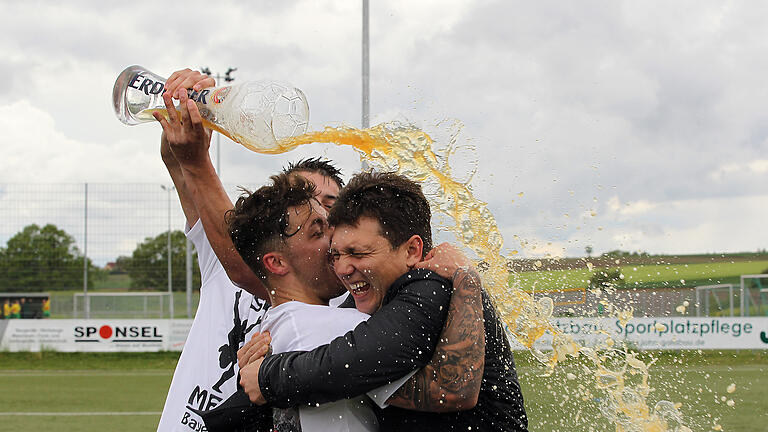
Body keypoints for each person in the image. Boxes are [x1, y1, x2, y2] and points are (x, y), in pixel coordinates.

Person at [239, 172, 529, 431]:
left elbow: (452, 389)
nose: (341, 267)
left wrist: (267, 376)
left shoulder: (432, 289)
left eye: (358, 253)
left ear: (412, 250)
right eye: (337, 253)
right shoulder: (366, 303)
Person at [154, 70, 348, 432]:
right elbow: (182, 169)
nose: (315, 210)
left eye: (327, 206)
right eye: (299, 199)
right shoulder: (227, 252)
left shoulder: (344, 295)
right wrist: (180, 120)